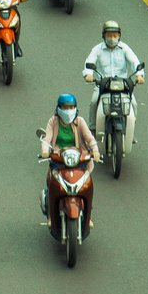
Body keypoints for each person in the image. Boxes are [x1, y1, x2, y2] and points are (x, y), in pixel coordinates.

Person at [39, 94, 100, 231]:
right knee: (51, 181)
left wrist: (95, 151)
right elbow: (47, 139)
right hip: (58, 157)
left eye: (71, 107)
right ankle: (51, 215)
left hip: (78, 157)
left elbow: (89, 139)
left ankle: (88, 214)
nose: (68, 111)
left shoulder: (80, 121)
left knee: (87, 185)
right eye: (65, 107)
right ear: (59, 108)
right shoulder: (53, 122)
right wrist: (45, 150)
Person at [82, 19, 143, 131]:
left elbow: (135, 61)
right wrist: (88, 75)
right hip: (103, 84)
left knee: (133, 104)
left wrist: (139, 75)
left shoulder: (125, 48)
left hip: (122, 84)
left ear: (119, 35)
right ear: (104, 36)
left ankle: (130, 127)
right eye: (109, 35)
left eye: (114, 35)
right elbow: (89, 62)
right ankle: (93, 129)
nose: (112, 38)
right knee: (94, 102)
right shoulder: (97, 49)